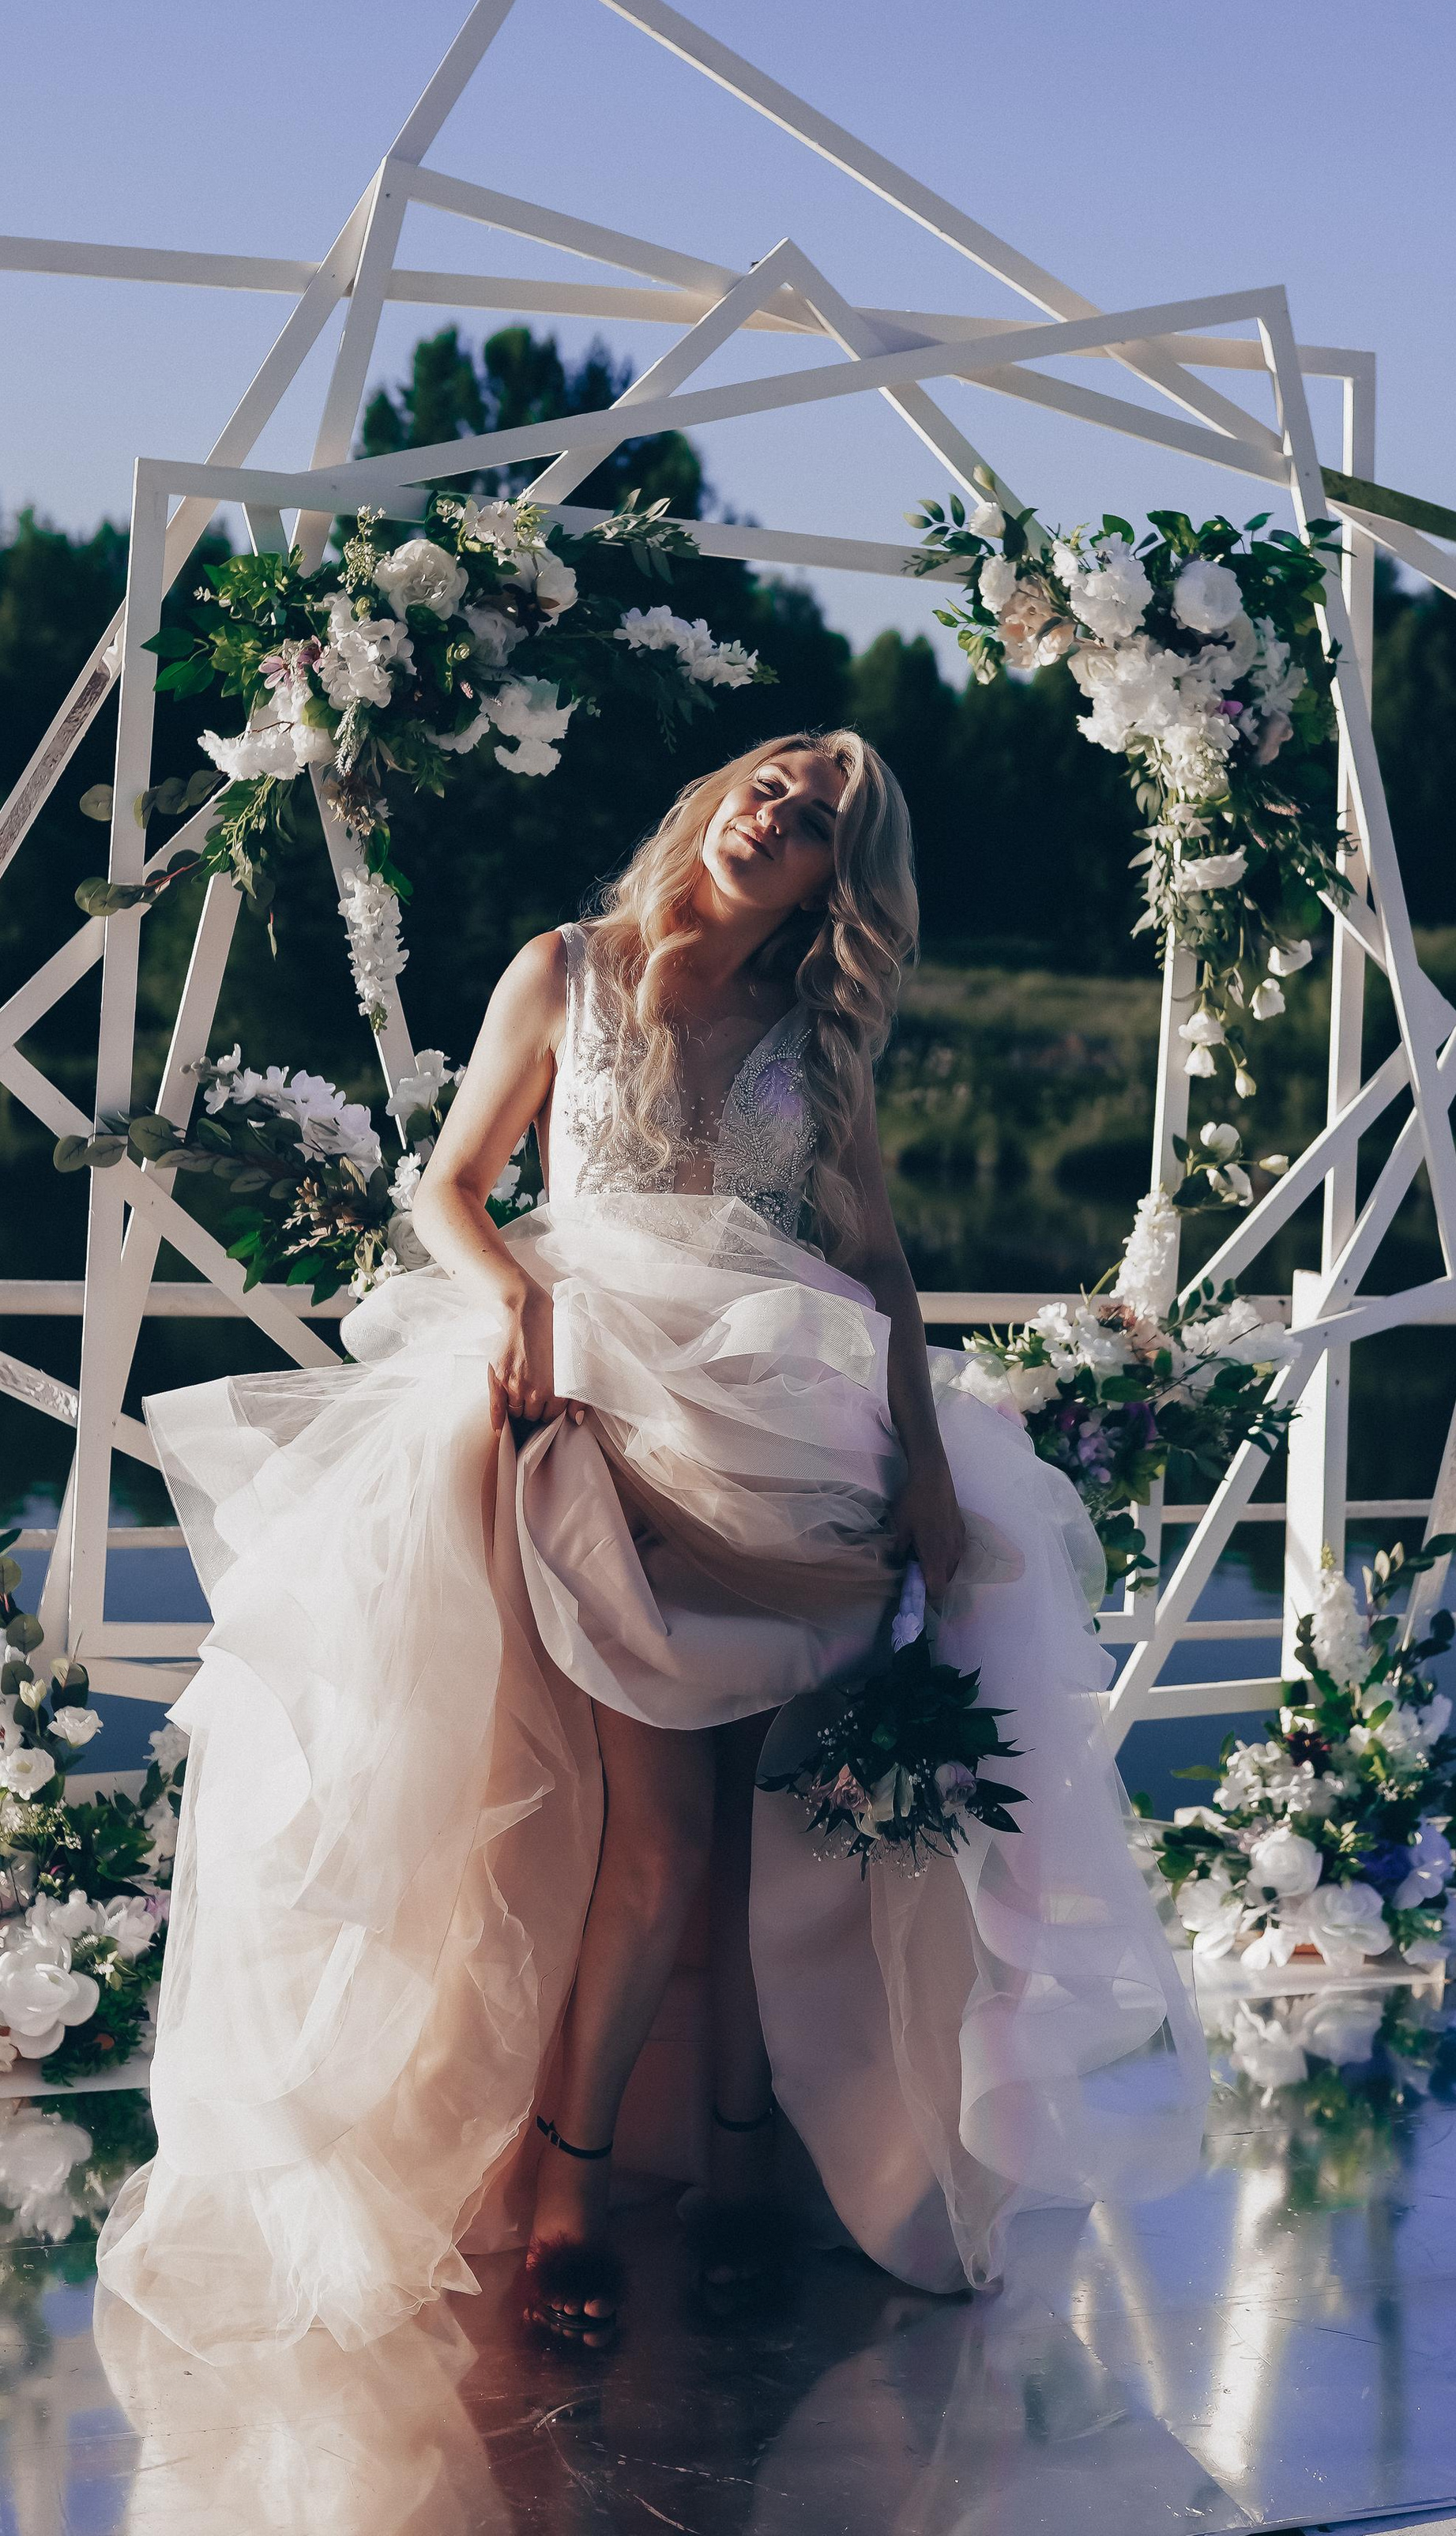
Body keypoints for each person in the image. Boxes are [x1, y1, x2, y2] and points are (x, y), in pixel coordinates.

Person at [96, 730, 1206, 2363]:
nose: (773, 820)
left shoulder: (815, 1038)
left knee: (766, 1849)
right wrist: (524, 1300)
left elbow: (880, 1266)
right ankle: (568, 2185)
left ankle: (755, 2171)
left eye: (815, 819)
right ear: (713, 801)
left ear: (840, 874)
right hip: (602, 1439)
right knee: (655, 1848)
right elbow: (454, 1190)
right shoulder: (569, 970)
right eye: (765, 786)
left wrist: (920, 1471)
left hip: (797, 1455)